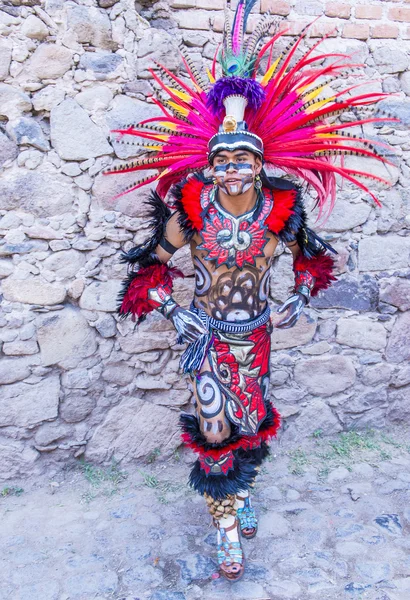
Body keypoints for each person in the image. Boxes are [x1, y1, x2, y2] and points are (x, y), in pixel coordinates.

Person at [107, 0, 394, 580]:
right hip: (207, 336)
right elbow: (146, 276)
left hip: (257, 338)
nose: (232, 168)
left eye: (242, 158)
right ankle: (226, 529)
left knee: (250, 418)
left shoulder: (280, 214)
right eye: (222, 160)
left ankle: (239, 492)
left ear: (259, 166)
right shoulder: (190, 214)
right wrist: (172, 308)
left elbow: (313, 266)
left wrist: (297, 297)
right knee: (213, 420)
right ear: (209, 168)